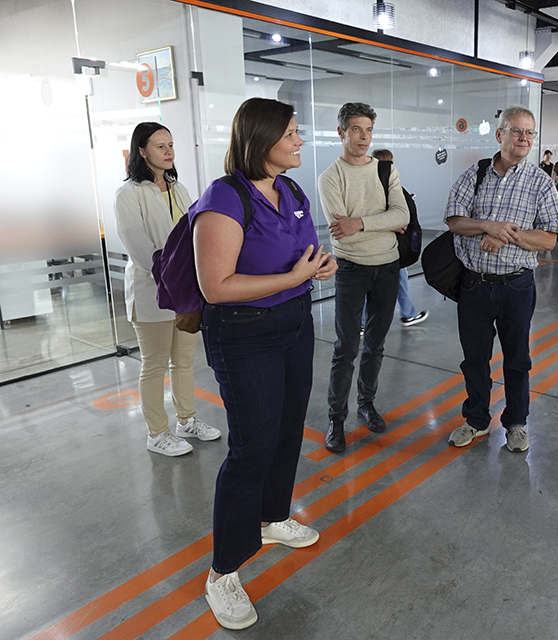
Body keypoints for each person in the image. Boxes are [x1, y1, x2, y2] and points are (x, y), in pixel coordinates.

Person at [192, 98, 337, 629]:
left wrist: (319, 267)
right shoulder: (224, 199)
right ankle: (223, 571)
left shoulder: (292, 191)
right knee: (252, 447)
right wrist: (294, 279)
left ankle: (273, 517)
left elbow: (306, 253)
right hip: (244, 335)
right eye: (292, 133)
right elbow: (217, 286)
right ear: (263, 139)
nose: (300, 141)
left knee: (287, 432)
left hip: (294, 326)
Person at [444, 105, 558, 452]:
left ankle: (515, 423)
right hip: (475, 284)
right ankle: (477, 421)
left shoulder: (540, 181)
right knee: (475, 359)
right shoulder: (476, 175)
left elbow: (549, 238)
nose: (523, 138)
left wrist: (507, 235)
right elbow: (454, 220)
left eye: (529, 132)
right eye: (516, 131)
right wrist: (488, 226)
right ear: (500, 135)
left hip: (516, 285)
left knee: (517, 359)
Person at [114, 122, 221, 457]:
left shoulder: (179, 189)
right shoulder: (128, 193)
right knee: (155, 363)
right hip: (153, 290)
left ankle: (186, 420)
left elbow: (195, 231)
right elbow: (138, 245)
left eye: (171, 145)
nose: (169, 151)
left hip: (185, 290)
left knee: (184, 362)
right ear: (141, 152)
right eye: (160, 146)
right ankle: (156, 432)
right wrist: (171, 274)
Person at [319, 103, 409, 453]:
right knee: (346, 347)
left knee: (376, 344)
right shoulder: (331, 177)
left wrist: (360, 222)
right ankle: (335, 418)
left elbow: (401, 213)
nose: (364, 136)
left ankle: (366, 403)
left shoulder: (386, 170)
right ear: (342, 132)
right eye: (356, 129)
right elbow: (342, 233)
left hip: (387, 267)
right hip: (351, 270)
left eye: (368, 129)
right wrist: (382, 222)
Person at [368, 148, 428, 328]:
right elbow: (399, 221)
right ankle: (407, 313)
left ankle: (407, 312)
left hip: (377, 247)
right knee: (397, 279)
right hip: (389, 247)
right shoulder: (388, 187)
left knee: (373, 283)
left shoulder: (370, 186)